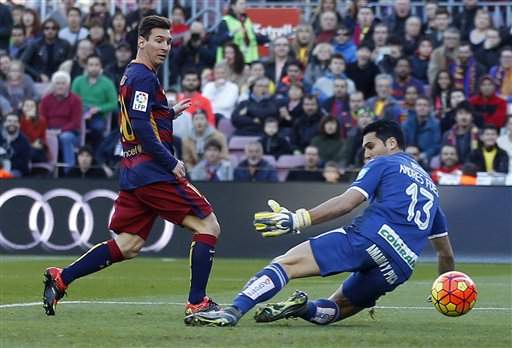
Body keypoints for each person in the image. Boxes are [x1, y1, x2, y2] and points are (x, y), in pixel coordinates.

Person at [186, 120, 455, 327]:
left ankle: (233, 311)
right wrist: (445, 289)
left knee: (286, 264)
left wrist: (298, 219)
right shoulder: (431, 188)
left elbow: (347, 202)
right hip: (399, 267)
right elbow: (445, 253)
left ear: (392, 143)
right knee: (337, 308)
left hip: (371, 238)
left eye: (370, 146)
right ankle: (301, 308)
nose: (366, 154)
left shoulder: (384, 164)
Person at [42, 16, 222, 324]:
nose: (165, 46)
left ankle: (62, 278)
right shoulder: (143, 77)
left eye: (168, 41)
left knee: (128, 244)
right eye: (158, 40)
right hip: (153, 171)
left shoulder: (133, 75)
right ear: (142, 41)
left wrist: (167, 113)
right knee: (208, 226)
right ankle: (197, 303)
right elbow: (139, 124)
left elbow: (141, 115)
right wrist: (170, 161)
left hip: (134, 170)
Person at [71, 54, 118, 149]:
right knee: (72, 128)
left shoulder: (108, 83)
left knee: (98, 128)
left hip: (98, 116)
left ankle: (96, 155)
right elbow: (72, 100)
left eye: (96, 65)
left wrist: (99, 109)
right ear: (86, 66)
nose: (94, 68)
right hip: (80, 114)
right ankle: (80, 154)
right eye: (91, 65)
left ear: (101, 67)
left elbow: (114, 103)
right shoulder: (78, 81)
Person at [39, 71, 82, 171]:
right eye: (58, 83)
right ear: (53, 85)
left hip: (69, 132)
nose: (60, 86)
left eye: (63, 83)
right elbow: (42, 119)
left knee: (65, 138)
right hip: (49, 131)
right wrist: (48, 131)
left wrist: (60, 131)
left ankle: (69, 171)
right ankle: (47, 171)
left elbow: (75, 122)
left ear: (68, 85)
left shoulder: (76, 100)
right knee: (43, 138)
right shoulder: (46, 99)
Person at [21, 18, 71, 82]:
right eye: (47, 28)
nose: (50, 31)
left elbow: (70, 62)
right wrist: (38, 74)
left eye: (53, 28)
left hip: (60, 79)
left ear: (57, 30)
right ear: (43, 30)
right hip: (39, 80)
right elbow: (23, 62)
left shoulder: (65, 44)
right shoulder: (35, 45)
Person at [0, 113, 31, 177]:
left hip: (15, 170)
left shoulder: (24, 140)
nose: (12, 123)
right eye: (9, 121)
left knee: (7, 175)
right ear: (4, 123)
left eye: (15, 121)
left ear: (19, 124)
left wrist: (7, 164)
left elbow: (24, 163)